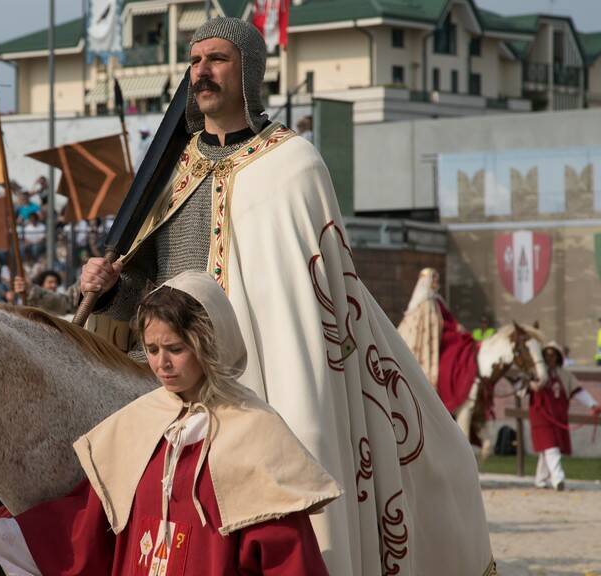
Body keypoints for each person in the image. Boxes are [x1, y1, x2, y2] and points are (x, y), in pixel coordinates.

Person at [77, 18, 493, 574]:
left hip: (269, 376)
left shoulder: (293, 164)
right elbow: (146, 285)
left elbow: (315, 299)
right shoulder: (175, 168)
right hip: (176, 376)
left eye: (217, 59)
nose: (202, 71)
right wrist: (109, 291)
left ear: (249, 71)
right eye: (195, 61)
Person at [0, 272, 339, 575]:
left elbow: (288, 558)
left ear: (209, 344)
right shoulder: (138, 424)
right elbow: (86, 527)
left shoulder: (254, 434)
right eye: (152, 349)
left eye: (176, 349)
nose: (161, 363)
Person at [529, 341, 600, 491]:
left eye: (552, 355)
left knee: (547, 449)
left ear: (558, 357)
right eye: (547, 355)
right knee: (551, 447)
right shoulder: (536, 374)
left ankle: (540, 480)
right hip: (541, 416)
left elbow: (578, 391)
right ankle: (558, 479)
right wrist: (529, 384)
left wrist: (593, 404)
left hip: (558, 417)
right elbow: (520, 388)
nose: (550, 358)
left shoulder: (565, 375)